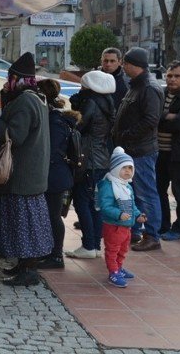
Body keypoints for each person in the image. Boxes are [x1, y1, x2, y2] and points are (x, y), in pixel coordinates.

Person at [0, 52, 52, 286]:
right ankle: (23, 265)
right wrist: (6, 95)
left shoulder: (26, 101)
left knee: (25, 225)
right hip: (32, 173)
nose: (8, 82)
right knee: (24, 223)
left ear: (17, 78)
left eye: (10, 78)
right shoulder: (36, 98)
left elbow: (14, 135)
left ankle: (29, 272)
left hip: (24, 175)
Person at [112, 47, 165, 251]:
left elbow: (151, 120)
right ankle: (133, 230)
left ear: (135, 65)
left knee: (146, 193)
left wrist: (127, 135)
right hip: (130, 150)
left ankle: (152, 235)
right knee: (131, 193)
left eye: (125, 63)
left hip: (141, 150)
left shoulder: (149, 88)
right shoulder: (136, 85)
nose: (123, 67)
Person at [65, 70, 115, 259]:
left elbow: (79, 127)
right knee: (96, 204)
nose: (81, 88)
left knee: (82, 202)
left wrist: (75, 109)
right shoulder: (108, 102)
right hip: (102, 159)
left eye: (83, 85)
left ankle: (88, 245)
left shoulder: (91, 103)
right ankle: (94, 245)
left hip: (89, 160)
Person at [37, 79, 81, 269]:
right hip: (56, 174)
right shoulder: (55, 118)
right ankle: (50, 252)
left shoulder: (55, 121)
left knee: (53, 216)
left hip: (55, 175)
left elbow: (52, 152)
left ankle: (56, 256)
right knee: (49, 215)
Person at [97, 146, 146, 288]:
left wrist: (138, 215)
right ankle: (113, 272)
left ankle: (119, 267)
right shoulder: (109, 186)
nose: (128, 171)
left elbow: (132, 204)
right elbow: (105, 206)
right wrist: (119, 214)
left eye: (130, 168)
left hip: (126, 227)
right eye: (124, 168)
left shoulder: (126, 186)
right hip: (114, 226)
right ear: (115, 168)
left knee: (123, 249)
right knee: (112, 250)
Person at [158, 61, 180, 240]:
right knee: (158, 190)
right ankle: (162, 225)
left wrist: (167, 119)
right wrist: (167, 117)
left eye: (177, 76)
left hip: (179, 155)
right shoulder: (161, 94)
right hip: (159, 152)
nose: (172, 79)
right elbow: (152, 118)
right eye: (169, 75)